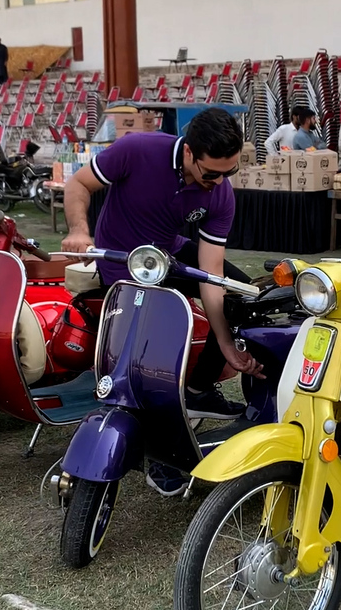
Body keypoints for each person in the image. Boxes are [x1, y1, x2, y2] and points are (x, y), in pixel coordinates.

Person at [61, 108, 262, 495]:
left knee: (240, 295)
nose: (218, 182)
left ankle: (200, 389)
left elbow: (211, 271)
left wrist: (225, 341)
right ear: (188, 152)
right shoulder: (136, 149)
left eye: (228, 172)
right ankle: (161, 454)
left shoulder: (220, 193)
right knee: (152, 353)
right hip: (124, 263)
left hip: (166, 255)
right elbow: (78, 185)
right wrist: (79, 231)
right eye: (211, 173)